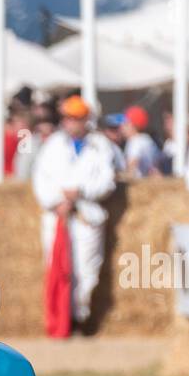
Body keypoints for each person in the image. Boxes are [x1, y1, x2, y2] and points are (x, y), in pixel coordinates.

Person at [31, 94, 119, 328]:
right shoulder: (52, 145)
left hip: (85, 216)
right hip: (57, 216)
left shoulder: (100, 145)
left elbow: (107, 182)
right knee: (57, 268)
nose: (72, 123)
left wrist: (80, 192)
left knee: (86, 270)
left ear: (86, 120)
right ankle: (61, 319)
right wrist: (58, 202)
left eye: (77, 118)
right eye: (69, 118)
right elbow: (41, 180)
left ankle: (79, 316)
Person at [121, 105, 162, 178]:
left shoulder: (135, 141)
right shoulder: (147, 140)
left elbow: (132, 166)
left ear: (134, 125)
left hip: (138, 185)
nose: (122, 127)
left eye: (126, 124)